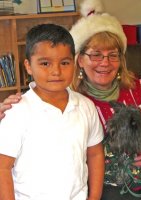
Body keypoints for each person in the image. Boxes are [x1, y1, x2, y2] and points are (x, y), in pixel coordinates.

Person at [0, 0, 141, 200]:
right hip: (110, 187)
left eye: (112, 55)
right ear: (80, 60)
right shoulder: (69, 98)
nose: (105, 63)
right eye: (95, 55)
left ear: (120, 60)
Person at [0, 23, 104, 200]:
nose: (56, 71)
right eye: (45, 63)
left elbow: (95, 154)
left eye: (64, 62)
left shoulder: (86, 106)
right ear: (28, 66)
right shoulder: (17, 112)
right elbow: (3, 167)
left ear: (74, 62)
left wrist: (94, 197)